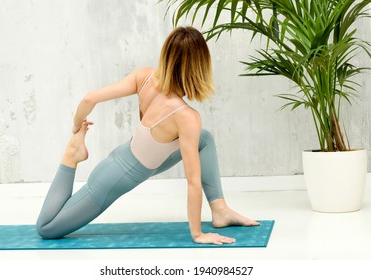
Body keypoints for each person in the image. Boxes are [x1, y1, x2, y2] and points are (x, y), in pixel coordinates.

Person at [36, 26, 259, 245]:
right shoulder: (185, 116)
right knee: (46, 228)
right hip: (113, 180)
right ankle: (71, 155)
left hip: (130, 157)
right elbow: (192, 182)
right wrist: (197, 234)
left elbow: (89, 99)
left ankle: (219, 209)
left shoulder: (144, 77)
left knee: (205, 139)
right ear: (200, 66)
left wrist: (77, 124)